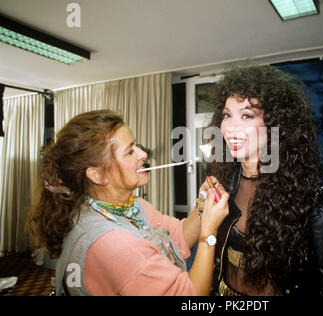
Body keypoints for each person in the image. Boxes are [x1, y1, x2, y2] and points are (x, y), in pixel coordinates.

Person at [26, 110, 229, 296]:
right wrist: (209, 234)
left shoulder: (131, 206)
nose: (143, 155)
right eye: (130, 151)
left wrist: (202, 205)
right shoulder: (114, 244)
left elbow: (179, 236)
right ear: (97, 174)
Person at [207, 65, 323, 296]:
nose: (230, 128)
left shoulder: (315, 186)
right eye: (227, 115)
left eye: (246, 115)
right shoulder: (223, 179)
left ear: (274, 123)